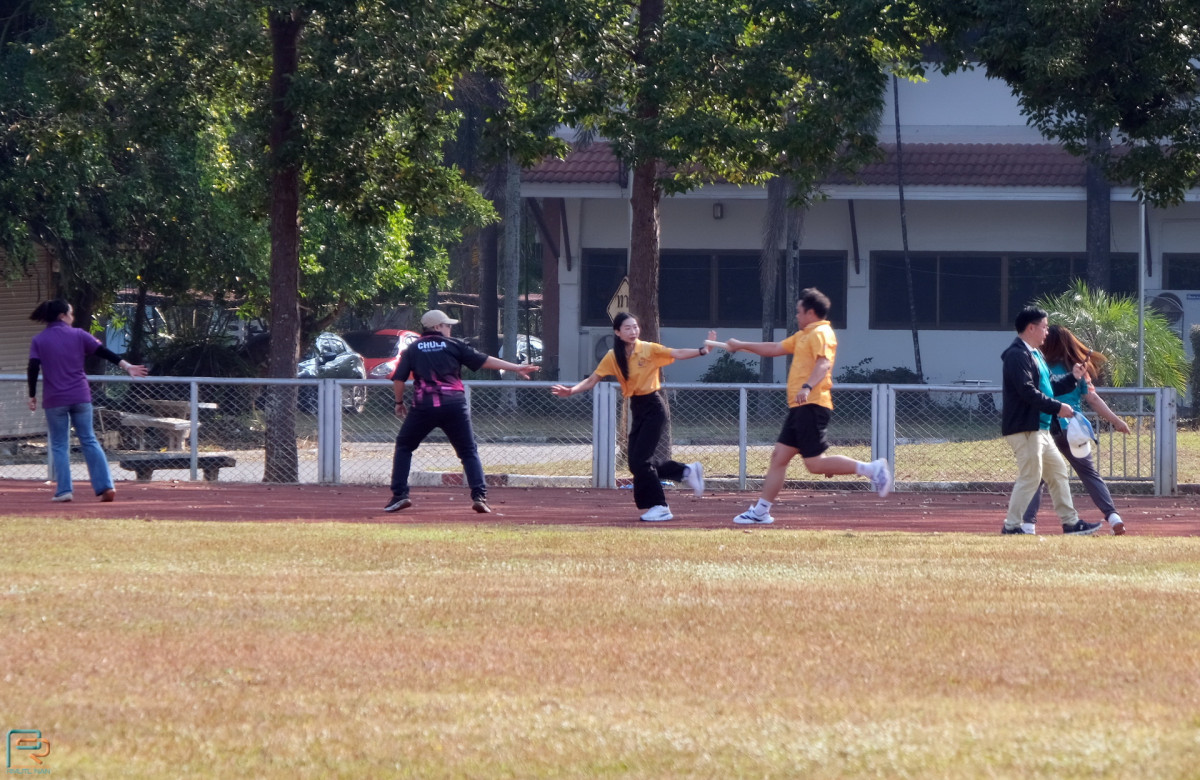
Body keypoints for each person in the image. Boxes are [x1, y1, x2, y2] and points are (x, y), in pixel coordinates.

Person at [722, 288, 892, 525]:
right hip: (799, 407)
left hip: (812, 404)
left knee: (815, 464)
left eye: (799, 312)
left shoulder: (821, 333)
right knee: (779, 457)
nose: (796, 316)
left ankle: (872, 469)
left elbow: (824, 364)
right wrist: (740, 345)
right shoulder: (803, 335)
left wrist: (807, 387)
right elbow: (775, 349)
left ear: (810, 312)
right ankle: (761, 512)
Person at [549, 312, 714, 522]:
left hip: (653, 407)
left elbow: (678, 353)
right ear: (617, 332)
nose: (633, 331)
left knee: (641, 461)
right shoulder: (613, 356)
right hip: (636, 407)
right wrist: (571, 391)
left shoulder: (649, 349)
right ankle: (686, 471)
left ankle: (660, 506)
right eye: (627, 328)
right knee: (636, 464)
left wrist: (702, 350)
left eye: (635, 327)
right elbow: (592, 380)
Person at [385, 310, 539, 514]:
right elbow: (483, 360)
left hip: (424, 406)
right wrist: (516, 368)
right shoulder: (454, 345)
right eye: (447, 325)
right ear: (437, 327)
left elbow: (399, 379)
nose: (450, 329)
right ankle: (479, 496)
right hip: (454, 405)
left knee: (404, 446)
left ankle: (400, 495)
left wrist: (398, 402)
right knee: (468, 451)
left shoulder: (412, 349)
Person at [27, 299, 149, 502]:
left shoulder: (39, 340)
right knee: (89, 440)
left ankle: (64, 490)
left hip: (55, 399)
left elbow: (32, 368)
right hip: (80, 396)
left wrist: (32, 394)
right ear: (62, 316)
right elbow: (103, 352)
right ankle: (106, 485)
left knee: (59, 444)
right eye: (70, 313)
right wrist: (127, 366)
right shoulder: (79, 334)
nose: (72, 317)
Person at [1000, 306, 1101, 535]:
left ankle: (1071, 523)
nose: (1047, 332)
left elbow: (1049, 387)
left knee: (1057, 473)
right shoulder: (1017, 355)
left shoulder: (1035, 354)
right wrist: (1058, 408)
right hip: (1026, 428)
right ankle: (1011, 526)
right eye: (1044, 327)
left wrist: (1073, 377)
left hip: (1041, 428)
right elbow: (1028, 392)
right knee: (1031, 476)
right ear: (1031, 328)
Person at [1022, 324, 1131, 535]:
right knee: (1089, 474)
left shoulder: (1039, 366)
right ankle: (1113, 516)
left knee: (1037, 476)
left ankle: (1028, 525)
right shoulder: (1078, 369)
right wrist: (1117, 421)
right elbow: (1093, 399)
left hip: (1045, 427)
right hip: (1073, 429)